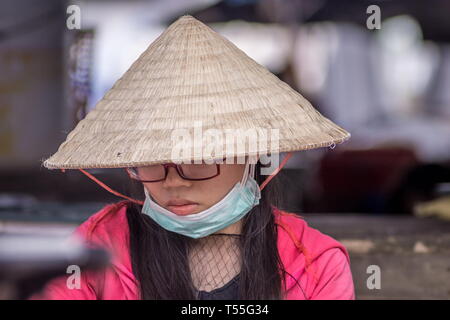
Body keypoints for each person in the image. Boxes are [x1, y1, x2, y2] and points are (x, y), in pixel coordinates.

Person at [30, 15, 354, 300]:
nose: (172, 181)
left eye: (197, 160)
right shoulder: (95, 246)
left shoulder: (316, 262)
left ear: (249, 155)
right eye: (153, 159)